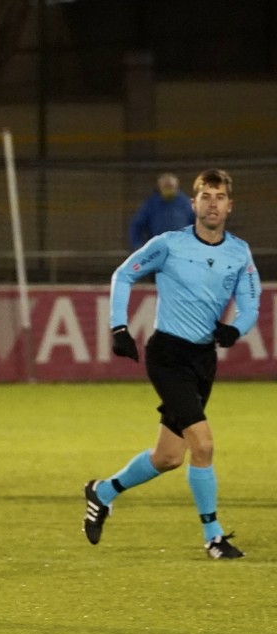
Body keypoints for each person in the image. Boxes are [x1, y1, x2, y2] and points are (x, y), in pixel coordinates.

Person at [83, 169, 259, 559]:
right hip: (167, 356)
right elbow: (122, 275)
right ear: (192, 203)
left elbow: (251, 304)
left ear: (230, 206)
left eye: (219, 197)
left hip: (202, 360)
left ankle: (103, 491)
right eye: (206, 196)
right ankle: (213, 537)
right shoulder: (168, 244)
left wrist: (235, 330)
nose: (212, 203)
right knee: (205, 445)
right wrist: (118, 327)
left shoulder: (239, 253)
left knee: (168, 457)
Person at [128, 173, 195, 250]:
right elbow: (136, 224)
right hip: (158, 248)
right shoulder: (151, 204)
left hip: (182, 247)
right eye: (166, 187)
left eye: (171, 186)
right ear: (160, 187)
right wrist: (138, 245)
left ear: (176, 186)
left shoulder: (185, 203)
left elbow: (197, 224)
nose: (169, 189)